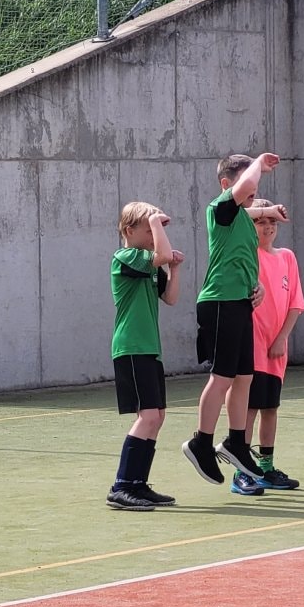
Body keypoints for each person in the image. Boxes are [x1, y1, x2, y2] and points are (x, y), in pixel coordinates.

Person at [182, 151, 282, 495]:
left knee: (245, 377)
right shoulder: (220, 209)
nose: (252, 190)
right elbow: (246, 187)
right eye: (244, 183)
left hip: (239, 302)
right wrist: (258, 163)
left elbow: (250, 227)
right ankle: (201, 442)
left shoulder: (241, 216)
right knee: (223, 377)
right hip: (220, 302)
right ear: (227, 185)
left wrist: (257, 285)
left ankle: (236, 442)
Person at [107, 201, 184, 511]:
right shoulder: (125, 257)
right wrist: (156, 221)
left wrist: (174, 270)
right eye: (149, 229)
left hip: (150, 349)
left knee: (157, 416)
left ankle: (138, 484)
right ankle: (122, 486)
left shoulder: (148, 265)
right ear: (129, 231)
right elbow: (161, 254)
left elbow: (170, 298)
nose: (155, 234)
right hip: (131, 347)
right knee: (148, 416)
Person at [236, 196, 304, 493]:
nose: (267, 227)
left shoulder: (287, 257)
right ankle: (242, 471)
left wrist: (281, 338)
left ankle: (266, 468)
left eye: (272, 222)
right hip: (252, 346)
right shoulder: (246, 255)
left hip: (276, 350)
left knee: (270, 408)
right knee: (249, 408)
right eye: (260, 221)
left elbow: (295, 304)